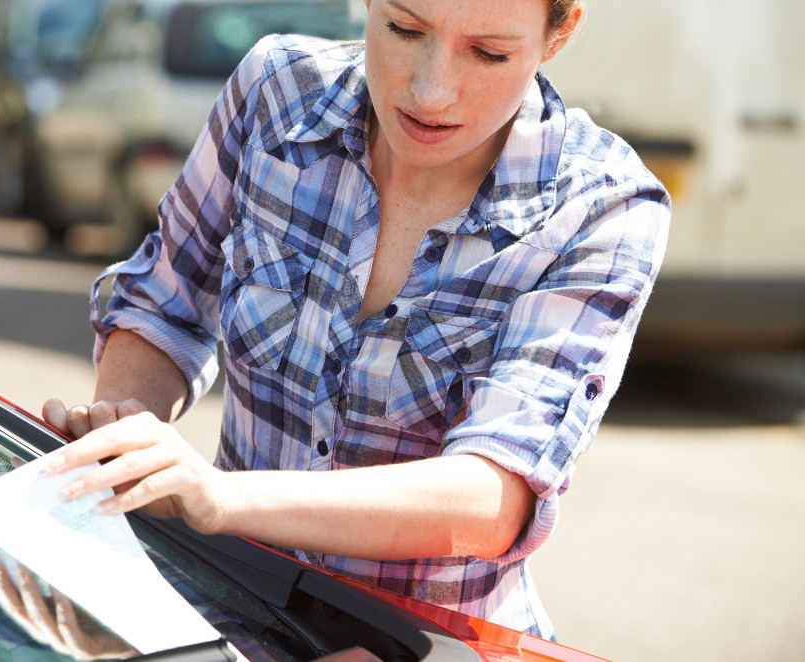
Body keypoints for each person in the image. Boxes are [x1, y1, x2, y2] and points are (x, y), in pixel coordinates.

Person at [41, 0, 669, 638]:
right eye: (405, 29)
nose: (431, 89)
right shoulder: (275, 93)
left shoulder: (603, 205)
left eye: (489, 53)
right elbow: (164, 300)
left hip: (426, 642)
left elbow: (496, 493)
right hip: (226, 615)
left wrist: (224, 500)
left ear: (557, 35)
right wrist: (122, 449)